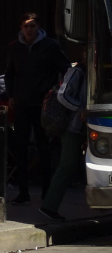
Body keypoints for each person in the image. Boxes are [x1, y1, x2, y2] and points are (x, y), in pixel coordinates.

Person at [5, 12, 70, 205]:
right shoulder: (14, 48)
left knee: (44, 148)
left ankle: (46, 192)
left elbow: (66, 69)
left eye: (32, 26)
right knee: (21, 147)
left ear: (38, 27)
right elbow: (9, 73)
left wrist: (59, 92)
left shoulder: (50, 46)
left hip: (44, 104)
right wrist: (10, 96)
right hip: (23, 104)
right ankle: (23, 192)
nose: (29, 29)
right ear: (21, 28)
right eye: (25, 26)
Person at [39, 51, 87, 221]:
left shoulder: (87, 72)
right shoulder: (78, 72)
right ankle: (49, 206)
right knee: (66, 165)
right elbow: (63, 95)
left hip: (79, 127)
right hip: (71, 126)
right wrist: (80, 108)